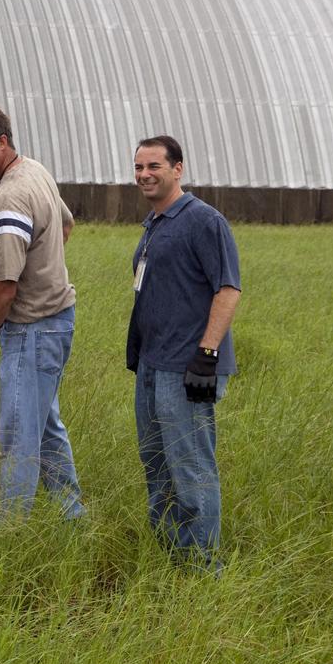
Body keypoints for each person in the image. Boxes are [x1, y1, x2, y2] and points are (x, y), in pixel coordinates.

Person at [0, 102, 85, 523]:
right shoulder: (34, 170)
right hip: (54, 321)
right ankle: (72, 517)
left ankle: (8, 528)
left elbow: (5, 290)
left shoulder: (10, 196)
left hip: (32, 330)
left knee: (18, 434)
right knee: (45, 428)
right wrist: (45, 268)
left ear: (2, 141)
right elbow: (65, 225)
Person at [128, 135, 240, 572]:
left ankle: (203, 568)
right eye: (138, 167)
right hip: (153, 365)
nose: (144, 174)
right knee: (156, 463)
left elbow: (228, 289)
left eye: (154, 166)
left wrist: (207, 353)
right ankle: (174, 557)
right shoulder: (154, 222)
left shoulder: (203, 221)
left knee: (190, 467)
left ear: (178, 169)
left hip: (188, 368)